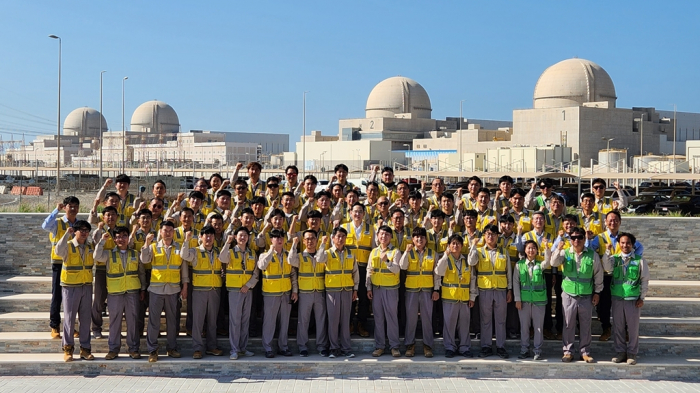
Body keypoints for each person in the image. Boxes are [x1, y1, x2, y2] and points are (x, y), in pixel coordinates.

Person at [587, 210, 644, 342]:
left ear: (620, 222)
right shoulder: (599, 238)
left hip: (620, 277)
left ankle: (625, 331)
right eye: (610, 220)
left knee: (622, 305)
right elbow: (590, 252)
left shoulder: (624, 238)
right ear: (605, 222)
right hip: (605, 276)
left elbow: (640, 247)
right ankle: (606, 328)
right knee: (604, 305)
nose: (613, 222)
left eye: (615, 220)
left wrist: (634, 258)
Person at [551, 227, 604, 363]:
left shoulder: (592, 255)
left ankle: (585, 352)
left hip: (586, 294)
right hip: (569, 294)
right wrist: (558, 249)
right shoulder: (565, 253)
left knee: (586, 324)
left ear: (584, 239)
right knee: (568, 323)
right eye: (573, 238)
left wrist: (597, 292)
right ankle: (568, 351)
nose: (576, 240)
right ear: (570, 239)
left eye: (579, 237)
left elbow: (598, 275)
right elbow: (553, 263)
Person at [139, 221, 190, 363]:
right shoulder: (154, 247)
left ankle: (172, 348)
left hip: (173, 290)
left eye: (170, 230)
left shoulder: (180, 247)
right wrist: (146, 244)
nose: (167, 233)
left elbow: (184, 269)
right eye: (165, 230)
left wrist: (185, 286)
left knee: (172, 321)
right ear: (160, 232)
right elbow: (144, 259)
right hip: (156, 290)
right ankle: (152, 350)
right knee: (153, 321)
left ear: (173, 232)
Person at [93, 226, 144, 360]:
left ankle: (133, 349)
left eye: (124, 236)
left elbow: (141, 272)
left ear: (128, 238)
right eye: (118, 237)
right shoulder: (109, 254)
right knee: (114, 321)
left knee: (132, 321)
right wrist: (102, 241)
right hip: (115, 293)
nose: (121, 239)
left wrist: (143, 288)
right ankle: (113, 349)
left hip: (132, 292)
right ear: (114, 239)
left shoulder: (135, 253)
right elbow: (96, 256)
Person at [604, 232, 649, 365]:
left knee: (633, 328)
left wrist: (642, 297)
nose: (625, 245)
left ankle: (632, 354)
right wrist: (607, 252)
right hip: (617, 298)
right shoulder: (614, 259)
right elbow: (607, 268)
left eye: (628, 243)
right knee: (618, 327)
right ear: (619, 244)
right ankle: (620, 352)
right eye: (622, 243)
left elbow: (644, 280)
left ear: (633, 245)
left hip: (633, 300)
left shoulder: (639, 260)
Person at [468, 225, 512, 359]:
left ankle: (500, 347)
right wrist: (473, 247)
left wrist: (509, 289)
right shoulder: (479, 251)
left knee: (501, 320)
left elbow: (508, 271)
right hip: (484, 289)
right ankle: (486, 346)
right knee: (485, 320)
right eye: (487, 234)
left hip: (500, 289)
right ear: (484, 236)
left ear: (497, 236)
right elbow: (471, 261)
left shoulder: (504, 251)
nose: (490, 237)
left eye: (493, 234)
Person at [53, 220, 94, 362]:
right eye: (81, 230)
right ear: (75, 231)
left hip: (86, 286)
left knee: (85, 319)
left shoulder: (90, 246)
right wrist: (66, 235)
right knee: (69, 319)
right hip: (70, 286)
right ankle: (68, 348)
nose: (83, 233)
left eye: (86, 230)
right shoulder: (68, 245)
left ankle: (85, 348)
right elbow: (58, 251)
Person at [315, 227, 359, 358]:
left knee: (345, 321)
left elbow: (355, 272)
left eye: (343, 236)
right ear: (333, 238)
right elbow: (319, 259)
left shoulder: (350, 253)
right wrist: (323, 244)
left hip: (347, 290)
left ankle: (346, 348)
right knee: (333, 320)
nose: (340, 239)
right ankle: (334, 348)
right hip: (332, 291)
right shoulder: (327, 252)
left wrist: (355, 289)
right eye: (338, 236)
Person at [42, 196, 80, 339]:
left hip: (73, 265)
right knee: (57, 296)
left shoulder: (78, 225)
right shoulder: (58, 223)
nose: (73, 209)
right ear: (65, 207)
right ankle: (54, 326)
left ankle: (71, 327)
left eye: (76, 206)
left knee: (71, 299)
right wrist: (56, 210)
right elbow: (45, 226)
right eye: (71, 206)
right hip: (59, 264)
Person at [289, 229, 330, 357]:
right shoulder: (300, 256)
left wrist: (323, 245)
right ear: (303, 241)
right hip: (305, 293)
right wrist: (294, 245)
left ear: (316, 240)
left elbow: (321, 259)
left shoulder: (322, 254)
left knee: (321, 320)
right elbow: (290, 260)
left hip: (319, 292)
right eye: (307, 239)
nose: (310, 241)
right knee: (303, 320)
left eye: (312, 238)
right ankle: (302, 346)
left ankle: (322, 346)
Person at [434, 234, 476, 358]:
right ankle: (450, 347)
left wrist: (472, 296)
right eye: (453, 243)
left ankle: (464, 348)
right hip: (449, 298)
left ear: (462, 246)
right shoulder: (445, 259)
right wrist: (445, 255)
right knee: (449, 324)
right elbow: (438, 271)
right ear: (449, 246)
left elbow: (472, 279)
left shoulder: (467, 260)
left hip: (463, 298)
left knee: (464, 324)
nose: (455, 246)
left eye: (458, 243)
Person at [190, 225, 228, 359]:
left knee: (213, 320)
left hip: (214, 289)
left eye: (211, 235)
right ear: (201, 237)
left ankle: (212, 346)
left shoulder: (218, 251)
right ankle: (197, 348)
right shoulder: (195, 251)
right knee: (198, 321)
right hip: (200, 290)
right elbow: (184, 255)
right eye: (206, 235)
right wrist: (186, 240)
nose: (209, 237)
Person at [258, 229, 297, 358]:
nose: (279, 240)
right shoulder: (265, 254)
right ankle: (268, 348)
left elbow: (292, 275)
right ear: (271, 240)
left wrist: (295, 291)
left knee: (284, 322)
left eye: (281, 238)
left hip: (285, 293)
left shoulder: (288, 255)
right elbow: (262, 266)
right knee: (269, 322)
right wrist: (271, 251)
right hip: (271, 294)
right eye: (276, 238)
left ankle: (283, 347)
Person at [399, 227, 438, 358]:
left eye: (422, 237)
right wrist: (406, 252)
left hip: (427, 290)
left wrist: (436, 289)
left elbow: (436, 274)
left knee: (427, 319)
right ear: (412, 239)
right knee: (411, 319)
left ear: (426, 239)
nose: (419, 239)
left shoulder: (433, 253)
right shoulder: (409, 252)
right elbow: (403, 266)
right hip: (411, 290)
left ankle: (428, 346)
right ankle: (410, 345)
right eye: (416, 237)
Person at [222, 227, 258, 360]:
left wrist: (248, 285)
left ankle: (243, 348)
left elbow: (256, 272)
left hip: (247, 290)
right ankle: (234, 349)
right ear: (236, 237)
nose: (243, 238)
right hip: (235, 290)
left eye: (245, 235)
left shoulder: (252, 253)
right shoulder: (230, 252)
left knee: (245, 320)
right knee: (235, 320)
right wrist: (227, 243)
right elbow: (222, 258)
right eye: (240, 235)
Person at [367, 225, 402, 357]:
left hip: (391, 289)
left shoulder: (395, 251)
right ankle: (380, 346)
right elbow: (369, 270)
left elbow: (397, 269)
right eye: (381, 234)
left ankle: (394, 347)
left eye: (387, 234)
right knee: (378, 318)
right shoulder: (374, 252)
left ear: (391, 237)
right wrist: (369, 287)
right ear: (377, 236)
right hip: (377, 289)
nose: (384, 237)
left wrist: (387, 261)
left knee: (392, 318)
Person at [341, 202, 375, 337]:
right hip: (349, 268)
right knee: (350, 297)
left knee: (363, 298)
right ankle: (349, 323)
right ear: (350, 213)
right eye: (355, 211)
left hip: (364, 268)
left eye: (360, 211)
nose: (357, 214)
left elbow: (374, 250)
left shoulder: (371, 229)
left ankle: (361, 324)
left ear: (364, 214)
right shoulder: (344, 227)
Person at [514, 240, 551, 360]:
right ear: (525, 250)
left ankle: (537, 351)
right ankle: (524, 350)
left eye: (534, 248)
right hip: (524, 301)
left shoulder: (540, 264)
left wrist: (546, 248)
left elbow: (548, 261)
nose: (531, 250)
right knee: (524, 327)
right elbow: (516, 283)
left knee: (538, 327)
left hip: (538, 301)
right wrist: (517, 299)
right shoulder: (519, 265)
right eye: (529, 248)